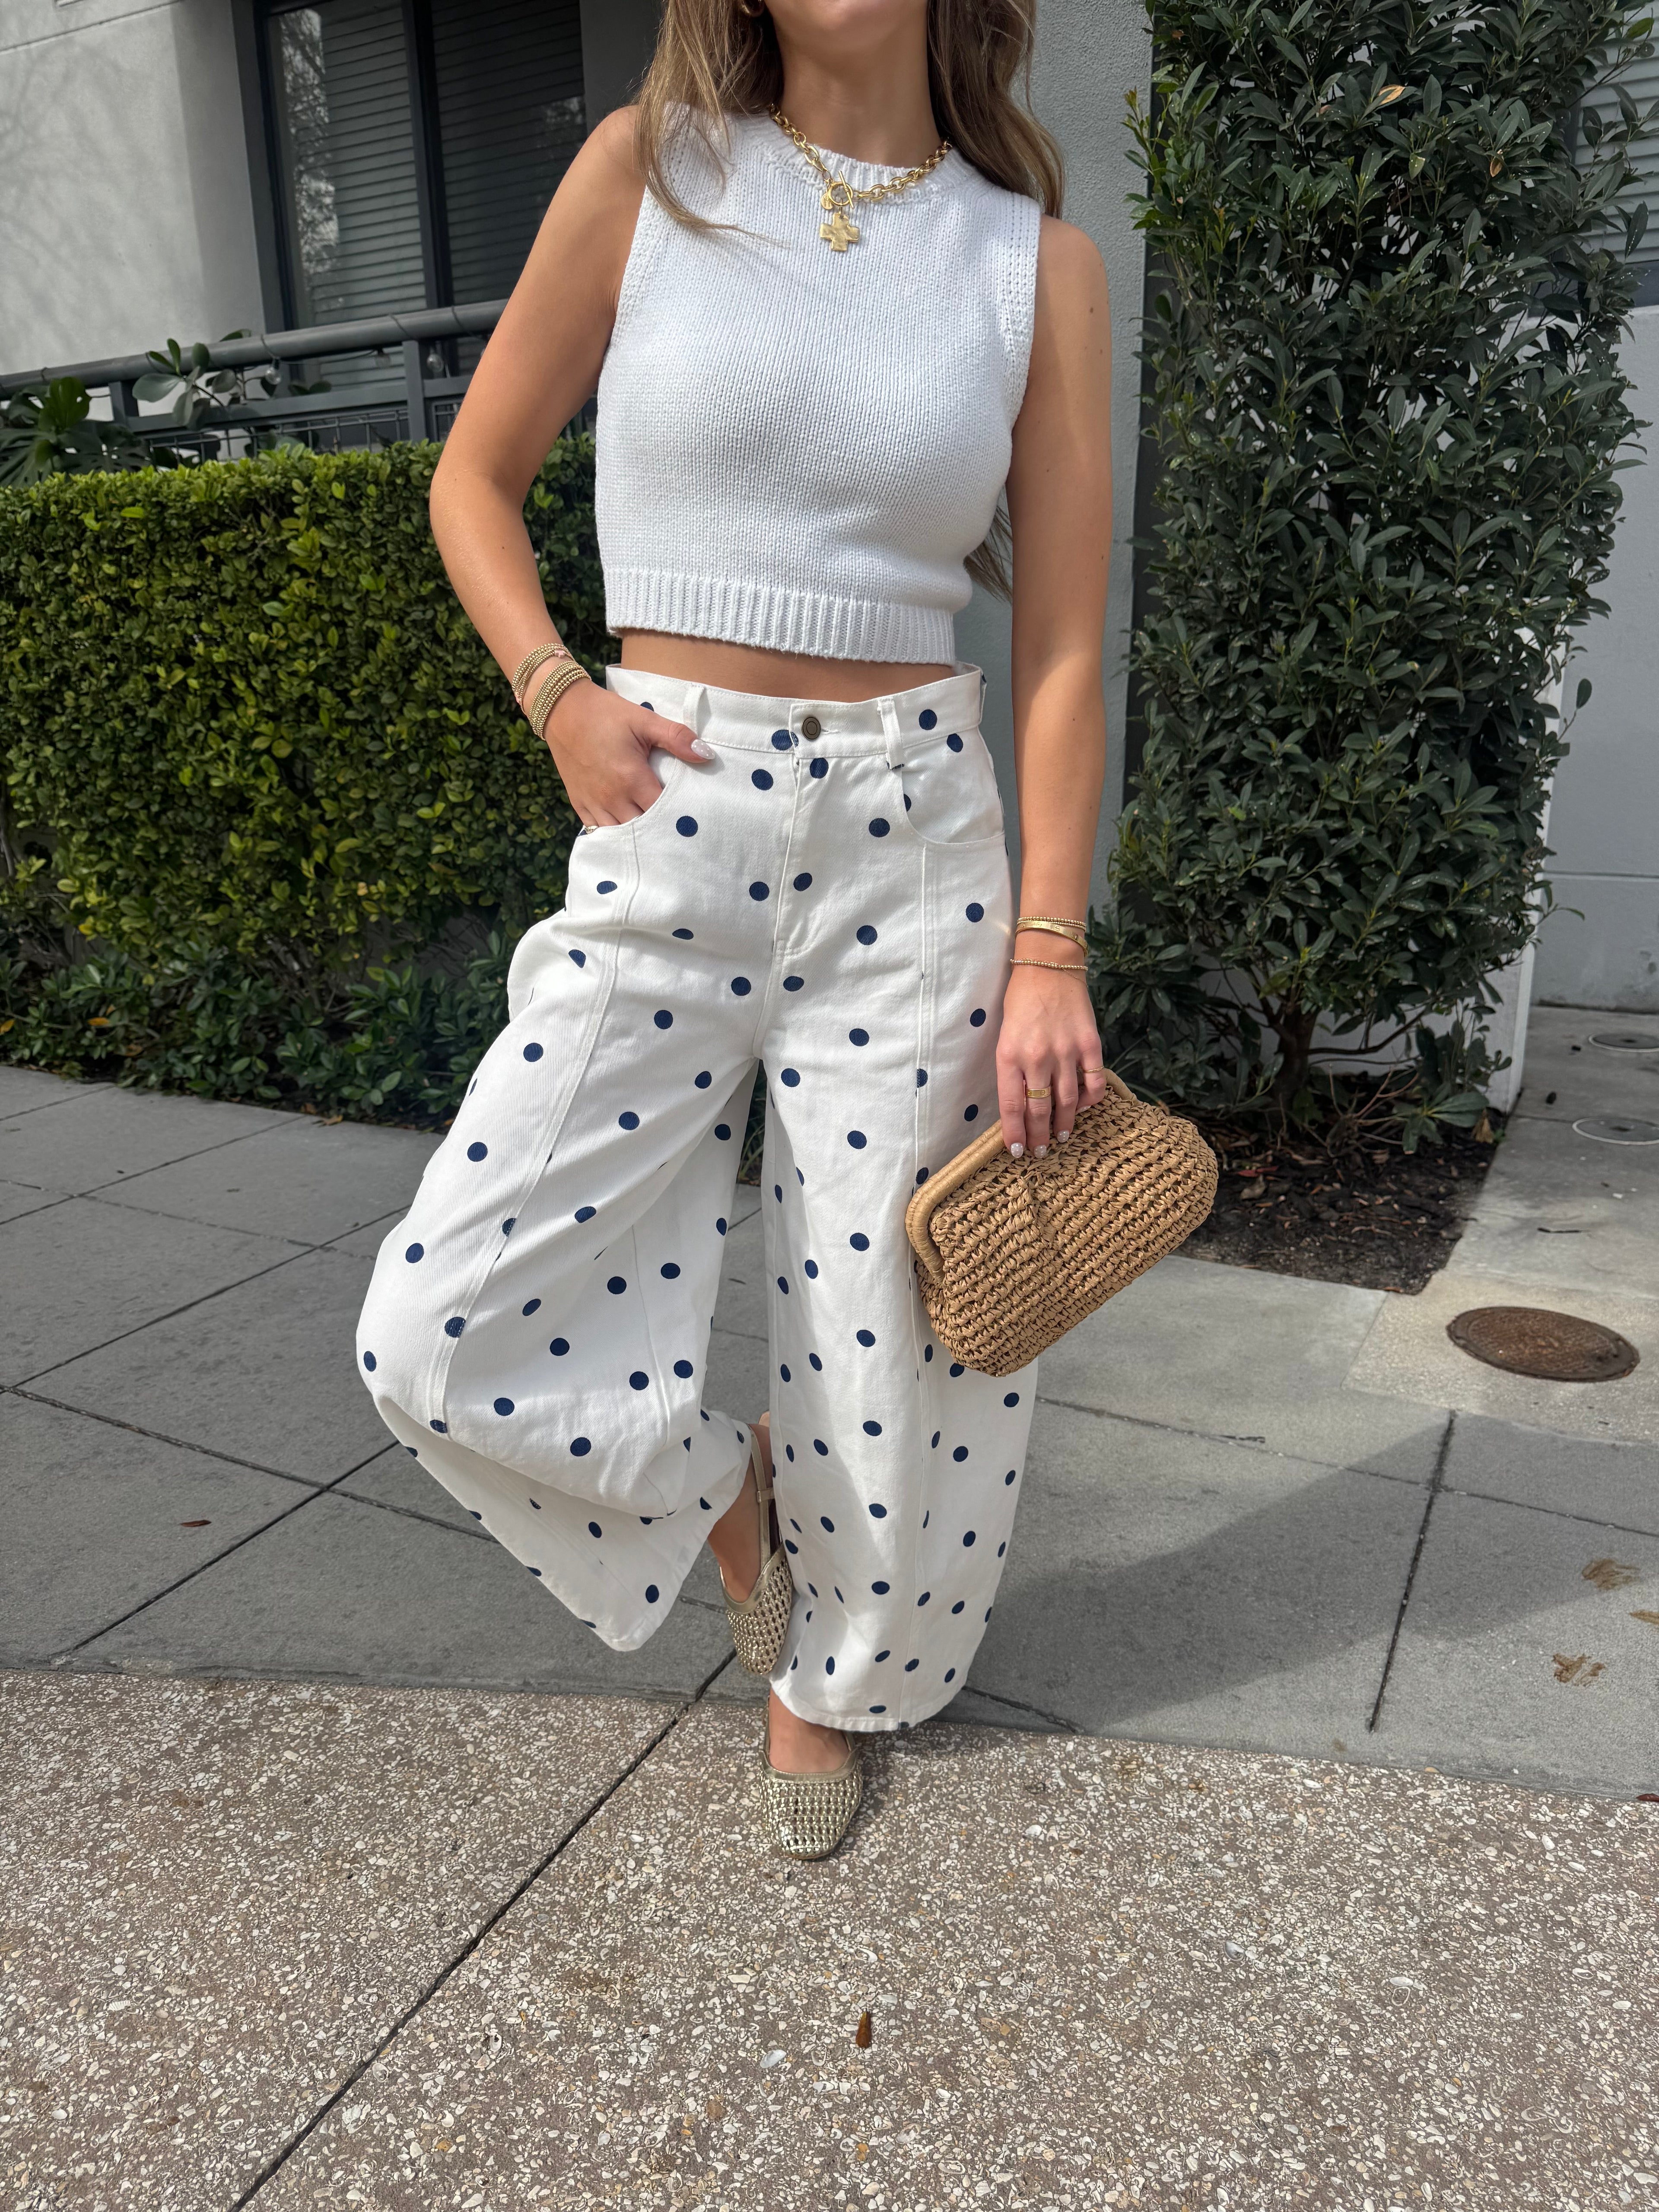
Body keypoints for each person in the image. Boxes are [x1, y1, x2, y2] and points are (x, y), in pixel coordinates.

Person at [356, 0, 1112, 1859]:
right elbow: (476, 475)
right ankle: (724, 1490)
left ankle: (820, 1684)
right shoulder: (649, 174)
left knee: (887, 1327)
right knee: (436, 1322)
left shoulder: (1034, 263)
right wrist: (553, 691)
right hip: (669, 804)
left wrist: (1049, 947)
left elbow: (1072, 640)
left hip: (911, 833)